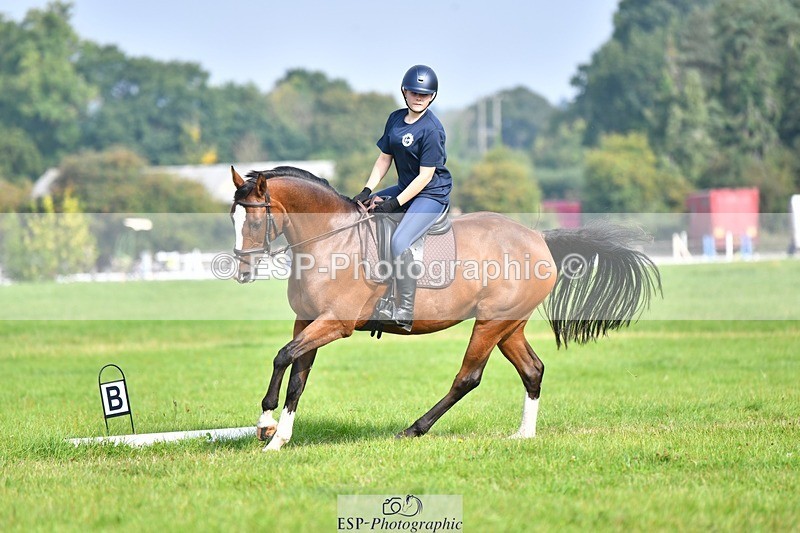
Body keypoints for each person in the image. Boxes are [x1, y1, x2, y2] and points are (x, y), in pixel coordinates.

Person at [351, 64, 453, 332]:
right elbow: (385, 158)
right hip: (405, 186)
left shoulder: (432, 129)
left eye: (425, 94)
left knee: (399, 241)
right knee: (360, 210)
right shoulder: (395, 119)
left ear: (432, 97)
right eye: (414, 92)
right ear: (404, 92)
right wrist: (367, 190)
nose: (419, 98)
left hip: (431, 193)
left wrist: (394, 204)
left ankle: (404, 308)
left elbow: (424, 177)